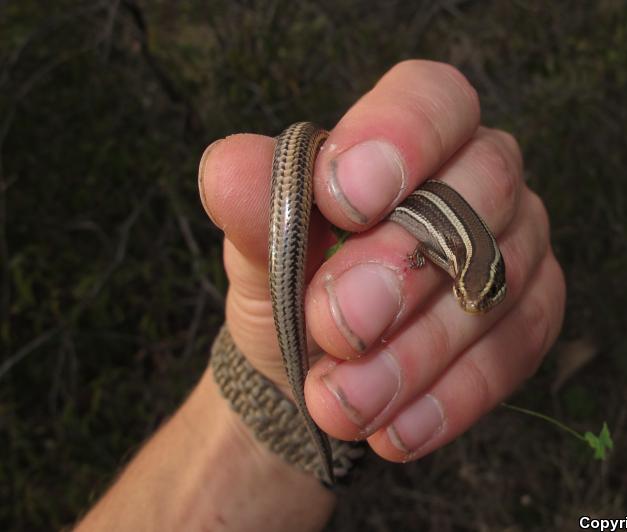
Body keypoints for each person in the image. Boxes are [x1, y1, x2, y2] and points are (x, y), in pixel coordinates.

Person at [76, 60, 565, 531]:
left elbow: (438, 255)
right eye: (468, 290)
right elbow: (429, 249)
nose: (472, 303)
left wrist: (270, 414)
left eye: (480, 292)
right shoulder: (460, 247)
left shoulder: (466, 254)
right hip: (358, 178)